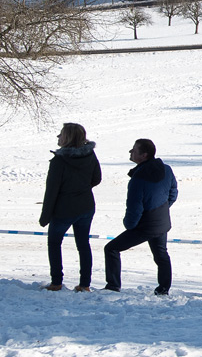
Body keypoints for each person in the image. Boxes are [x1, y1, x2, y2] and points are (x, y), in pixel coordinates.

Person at [103, 139, 177, 295]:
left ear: (144, 155)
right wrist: (161, 210)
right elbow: (173, 193)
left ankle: (113, 286)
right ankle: (164, 288)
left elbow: (134, 207)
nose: (130, 152)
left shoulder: (138, 179)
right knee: (161, 254)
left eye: (133, 150)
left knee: (111, 248)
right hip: (162, 221)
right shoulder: (167, 170)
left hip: (146, 224)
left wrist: (130, 225)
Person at [40, 122, 102, 292]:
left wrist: (45, 216)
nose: (58, 137)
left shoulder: (59, 161)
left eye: (61, 134)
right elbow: (97, 178)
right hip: (86, 206)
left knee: (54, 243)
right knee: (83, 244)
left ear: (67, 137)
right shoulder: (90, 155)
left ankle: (56, 282)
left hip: (63, 210)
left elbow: (51, 191)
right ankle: (84, 284)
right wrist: (81, 188)